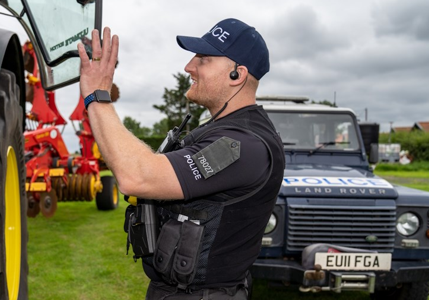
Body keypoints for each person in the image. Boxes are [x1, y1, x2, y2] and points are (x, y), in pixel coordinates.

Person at [77, 18, 285, 300]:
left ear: (237, 74)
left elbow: (136, 176)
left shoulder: (242, 144)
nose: (189, 67)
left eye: (203, 59)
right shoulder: (220, 131)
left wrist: (97, 95)